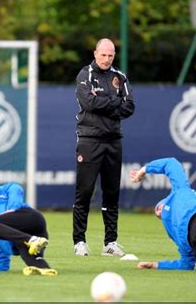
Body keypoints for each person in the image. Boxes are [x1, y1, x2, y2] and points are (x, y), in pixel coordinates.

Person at [73, 38, 135, 257]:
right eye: (103, 55)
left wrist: (105, 101)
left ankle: (110, 242)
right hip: (89, 140)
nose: (107, 59)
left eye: (110, 55)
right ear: (95, 53)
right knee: (85, 192)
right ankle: (79, 241)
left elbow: (130, 107)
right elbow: (89, 103)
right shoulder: (85, 75)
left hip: (113, 140)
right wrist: (114, 101)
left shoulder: (121, 77)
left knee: (112, 193)